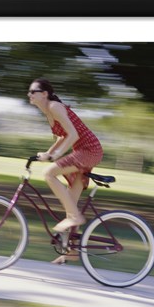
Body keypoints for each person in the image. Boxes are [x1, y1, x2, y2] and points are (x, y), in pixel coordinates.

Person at [28, 78, 103, 240]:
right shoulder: (48, 112)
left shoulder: (55, 107)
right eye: (29, 92)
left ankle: (75, 217)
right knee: (71, 204)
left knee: (49, 173)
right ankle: (72, 252)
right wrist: (48, 153)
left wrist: (54, 156)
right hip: (83, 151)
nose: (29, 94)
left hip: (90, 150)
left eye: (33, 91)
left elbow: (73, 134)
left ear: (44, 94)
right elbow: (62, 137)